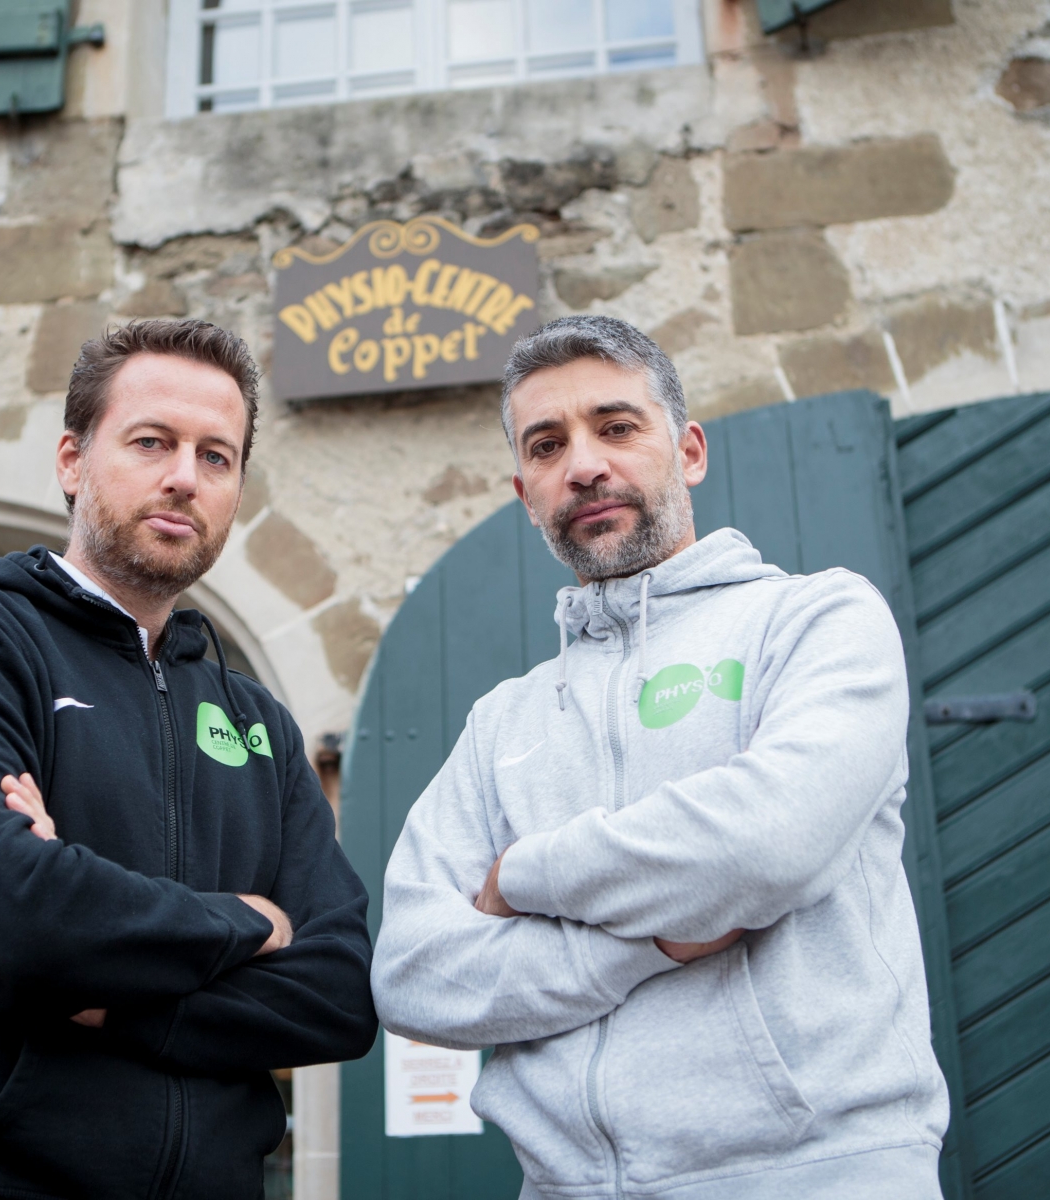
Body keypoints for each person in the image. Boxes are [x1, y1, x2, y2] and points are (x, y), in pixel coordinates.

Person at [370, 314, 948, 1199]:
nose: (586, 464)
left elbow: (768, 841)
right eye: (549, 444)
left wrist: (527, 875)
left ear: (689, 451)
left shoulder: (816, 621)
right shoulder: (503, 723)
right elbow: (412, 973)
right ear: (525, 492)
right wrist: (649, 948)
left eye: (616, 426)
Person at [0, 320, 378, 1200]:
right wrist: (245, 921)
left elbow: (339, 994)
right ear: (72, 461)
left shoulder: (258, 722)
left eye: (217, 456)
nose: (183, 478)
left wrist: (102, 994)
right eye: (152, 442)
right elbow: (15, 917)